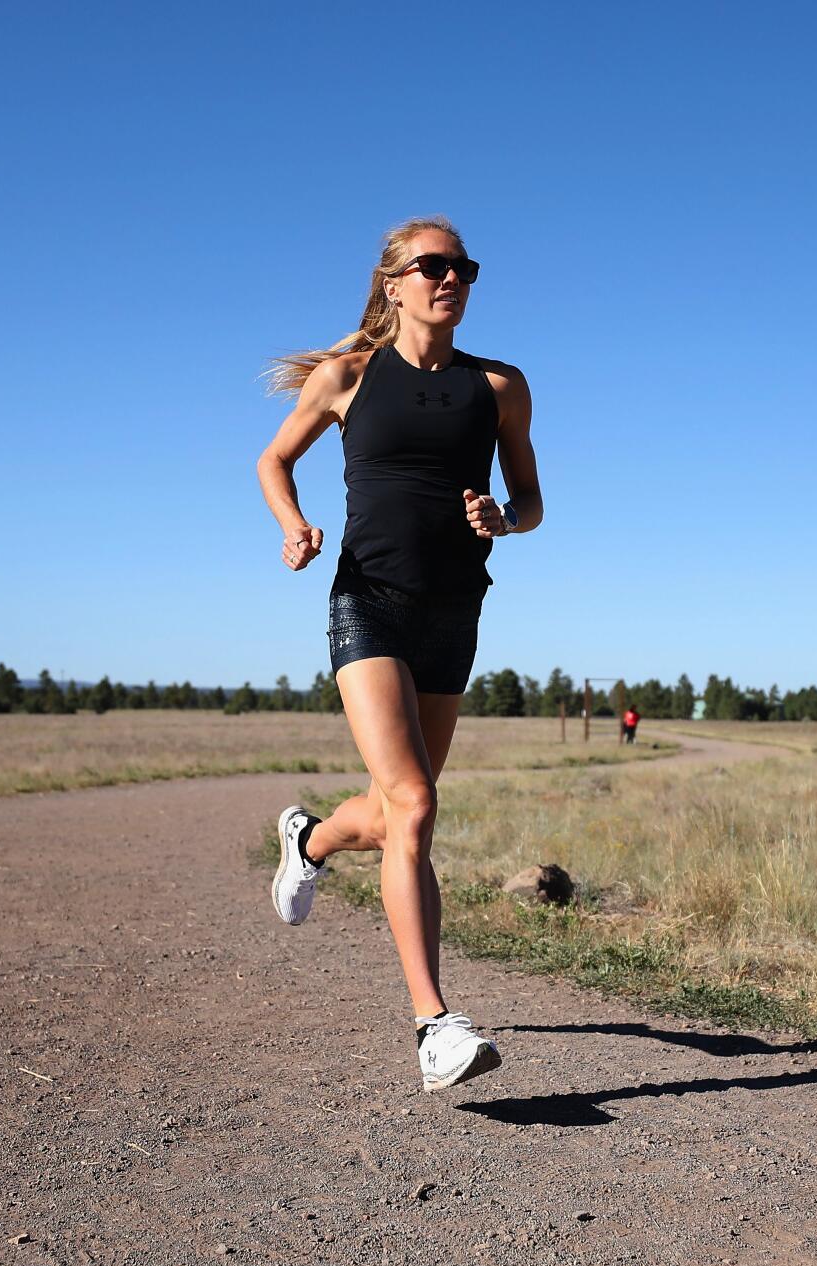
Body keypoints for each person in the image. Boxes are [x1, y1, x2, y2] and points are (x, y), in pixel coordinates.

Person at [254, 216, 543, 1092]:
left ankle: (308, 839)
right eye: (432, 265)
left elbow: (530, 498)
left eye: (462, 266)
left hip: (455, 614)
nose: (450, 276)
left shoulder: (499, 386)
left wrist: (504, 516)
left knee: (391, 815)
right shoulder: (349, 378)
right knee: (416, 802)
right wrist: (293, 525)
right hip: (366, 605)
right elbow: (273, 459)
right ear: (394, 283)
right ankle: (434, 1023)